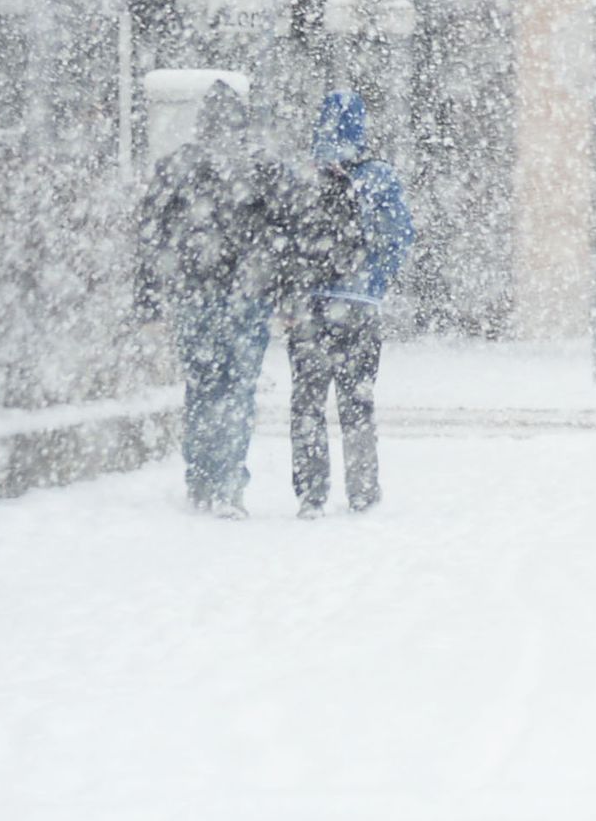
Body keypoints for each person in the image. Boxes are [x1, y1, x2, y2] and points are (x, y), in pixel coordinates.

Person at [132, 81, 288, 516]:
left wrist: (148, 300)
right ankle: (228, 485)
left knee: (201, 388)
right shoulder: (263, 168)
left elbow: (151, 236)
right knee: (238, 390)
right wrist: (286, 296)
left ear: (202, 123)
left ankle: (200, 479)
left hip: (193, 296)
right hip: (248, 297)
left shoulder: (176, 166)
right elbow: (284, 238)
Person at [282, 90, 412, 517]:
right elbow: (400, 237)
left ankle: (311, 493)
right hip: (359, 305)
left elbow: (282, 241)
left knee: (307, 403)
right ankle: (362, 490)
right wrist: (374, 280)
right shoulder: (378, 176)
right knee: (357, 402)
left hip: (310, 306)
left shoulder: (302, 175)